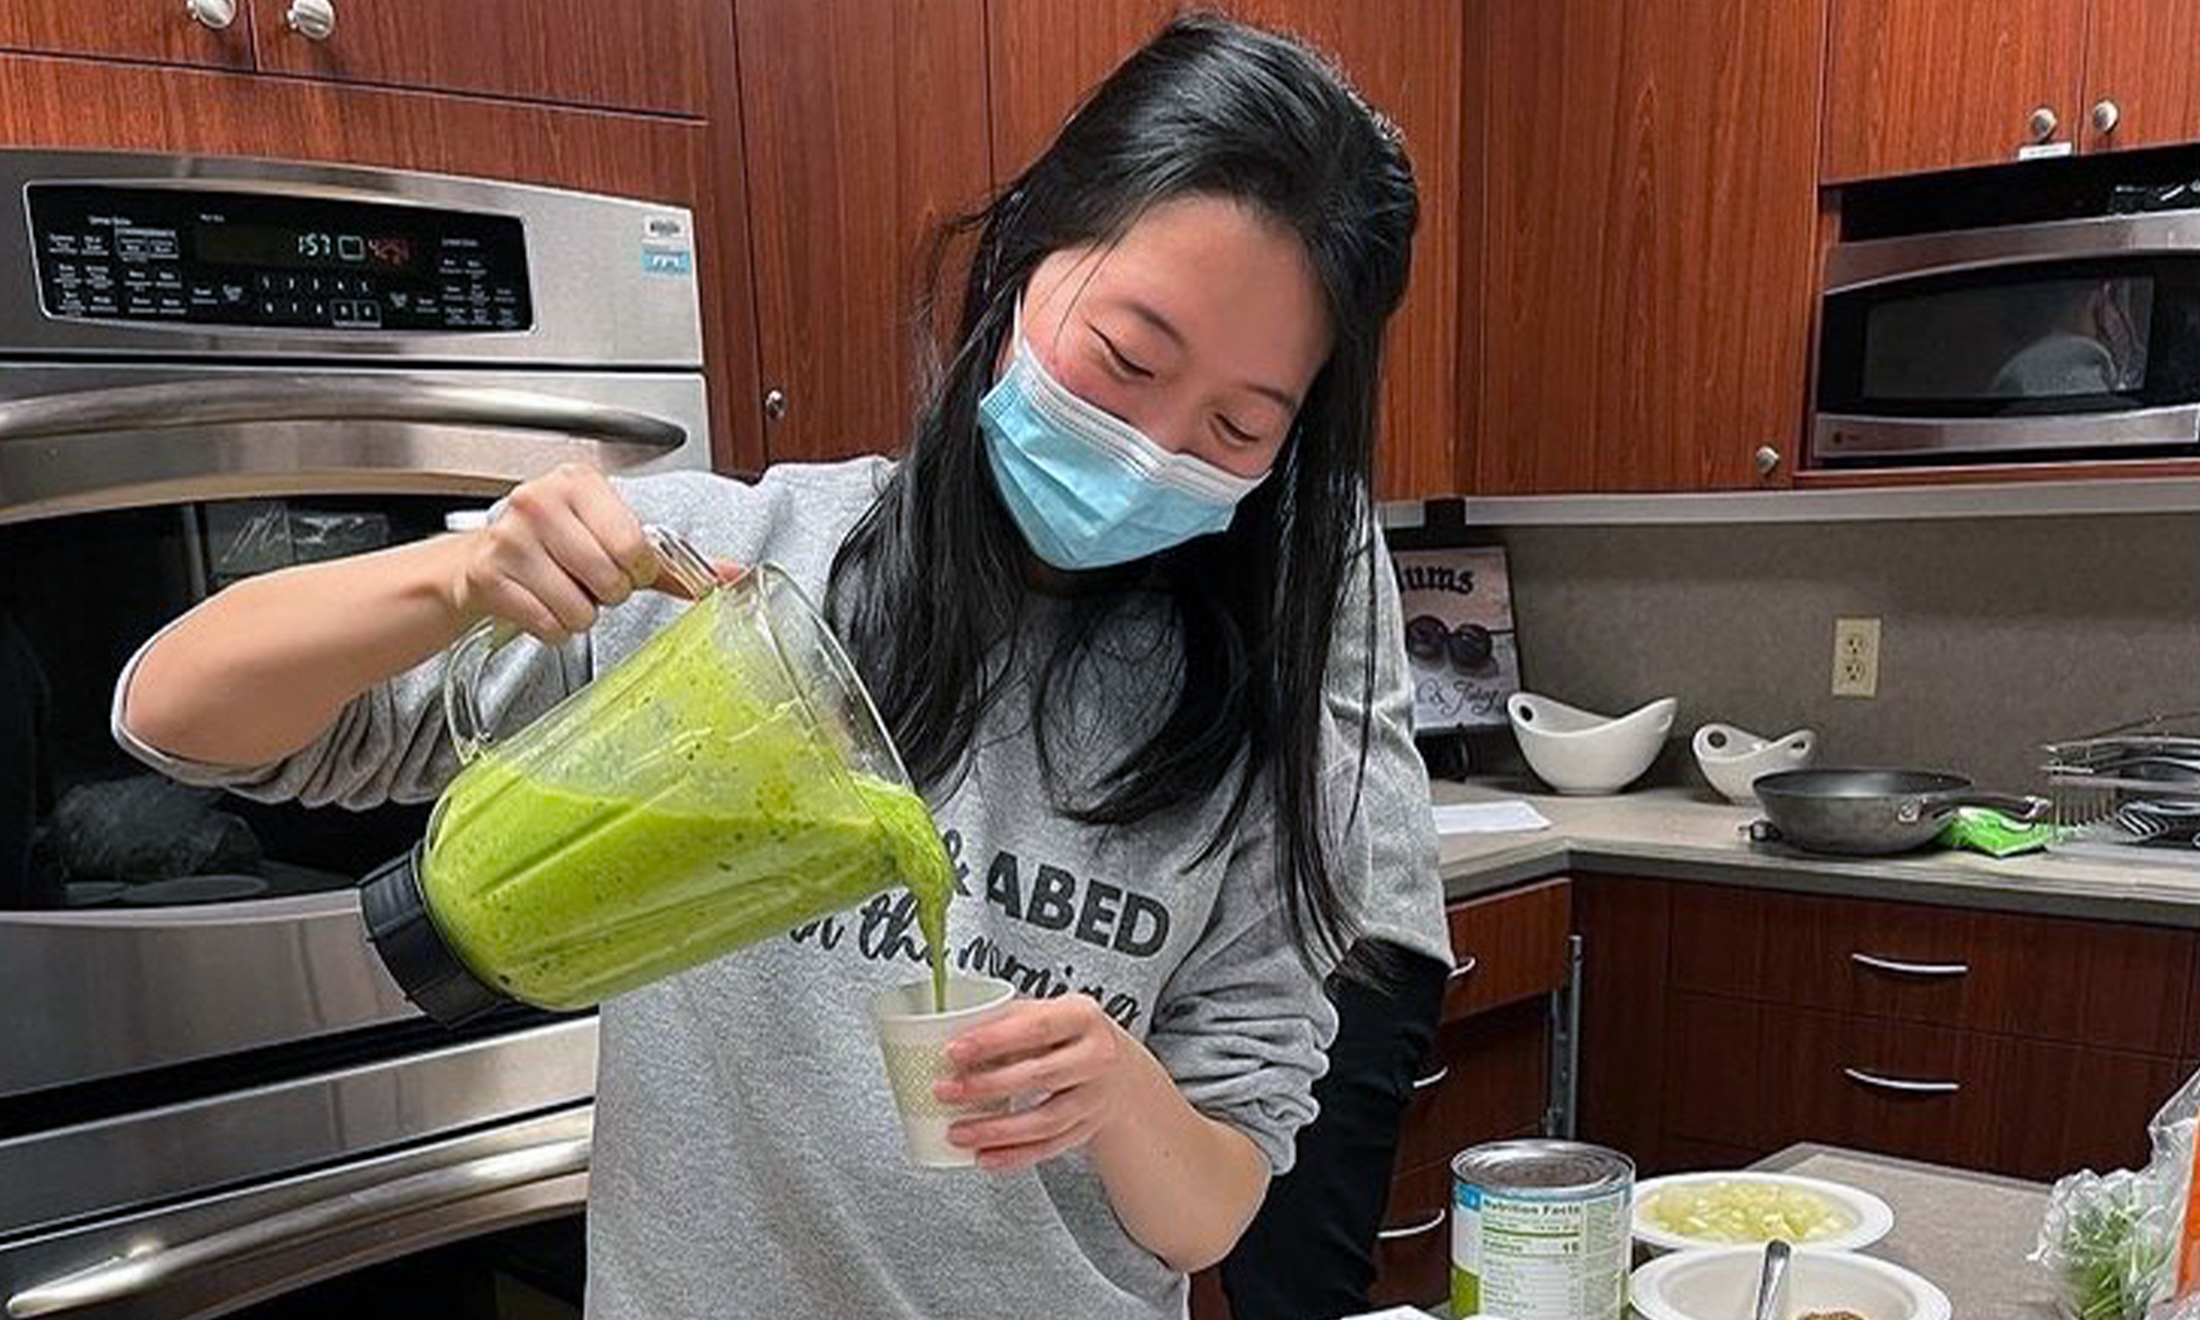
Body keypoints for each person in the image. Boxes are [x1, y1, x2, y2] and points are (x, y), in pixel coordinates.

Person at [113, 15, 1449, 1319]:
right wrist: (454, 575)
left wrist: (1123, 1099)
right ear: (1025, 257)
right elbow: (178, 713)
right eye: (1125, 356)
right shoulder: (715, 579)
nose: (1153, 444)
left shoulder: (1255, 724)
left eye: (1232, 424)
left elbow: (1217, 1201)